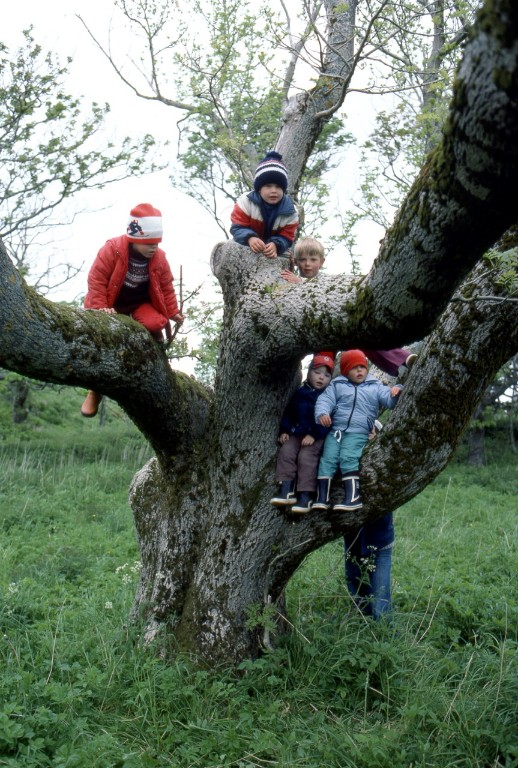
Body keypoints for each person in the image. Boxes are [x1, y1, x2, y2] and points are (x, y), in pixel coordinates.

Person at [80, 203, 185, 418]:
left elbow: (166, 285)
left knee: (157, 323)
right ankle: (95, 391)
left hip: (139, 302)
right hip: (111, 301)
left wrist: (173, 312)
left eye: (156, 243)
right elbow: (97, 279)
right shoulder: (113, 249)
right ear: (135, 239)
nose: (153, 248)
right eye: (148, 243)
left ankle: (159, 365)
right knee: (103, 338)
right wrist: (100, 307)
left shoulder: (159, 258)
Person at [280, 236, 417, 378]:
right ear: (296, 262)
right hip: (318, 334)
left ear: (321, 262)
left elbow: (324, 293)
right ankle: (317, 393)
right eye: (302, 260)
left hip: (337, 326)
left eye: (313, 260)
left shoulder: (327, 280)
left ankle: (404, 360)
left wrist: (301, 283)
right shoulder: (292, 279)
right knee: (322, 365)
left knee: (368, 339)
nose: (307, 264)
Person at [312, 349, 402, 512]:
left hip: (358, 432)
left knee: (348, 457)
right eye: (354, 367)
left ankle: (352, 497)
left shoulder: (375, 386)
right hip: (336, 431)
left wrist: (397, 391)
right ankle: (322, 497)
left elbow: (389, 401)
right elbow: (325, 400)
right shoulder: (337, 384)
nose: (359, 370)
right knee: (328, 460)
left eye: (362, 366)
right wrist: (323, 413)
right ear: (346, 370)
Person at [270, 352, 334, 514]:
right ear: (309, 372)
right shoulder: (300, 393)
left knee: (306, 458)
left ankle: (305, 495)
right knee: (286, 452)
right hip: (297, 433)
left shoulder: (328, 396)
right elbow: (290, 413)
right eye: (317, 372)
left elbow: (327, 420)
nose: (321, 378)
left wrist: (313, 434)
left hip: (316, 436)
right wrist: (285, 430)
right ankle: (286, 488)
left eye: (326, 375)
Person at [230, 151, 299, 258]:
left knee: (287, 257)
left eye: (278, 187)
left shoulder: (291, 212)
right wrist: (250, 238)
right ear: (259, 189)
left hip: (274, 253)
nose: (274, 190)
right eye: (268, 186)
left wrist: (276, 244)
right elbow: (237, 228)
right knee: (227, 248)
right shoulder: (245, 202)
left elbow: (287, 237)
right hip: (246, 246)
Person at [344, 512, 394, 619]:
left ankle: (385, 632)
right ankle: (362, 625)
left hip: (380, 540)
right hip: (352, 540)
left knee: (380, 604)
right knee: (357, 592)